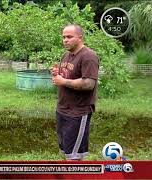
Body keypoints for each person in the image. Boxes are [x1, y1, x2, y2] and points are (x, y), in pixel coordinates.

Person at [51, 24, 99, 160]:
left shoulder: (89, 56)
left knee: (74, 156)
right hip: (62, 109)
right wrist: (57, 74)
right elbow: (67, 75)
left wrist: (63, 81)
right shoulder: (66, 55)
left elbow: (89, 83)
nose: (65, 40)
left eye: (69, 37)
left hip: (78, 112)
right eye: (64, 37)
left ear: (80, 38)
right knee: (66, 151)